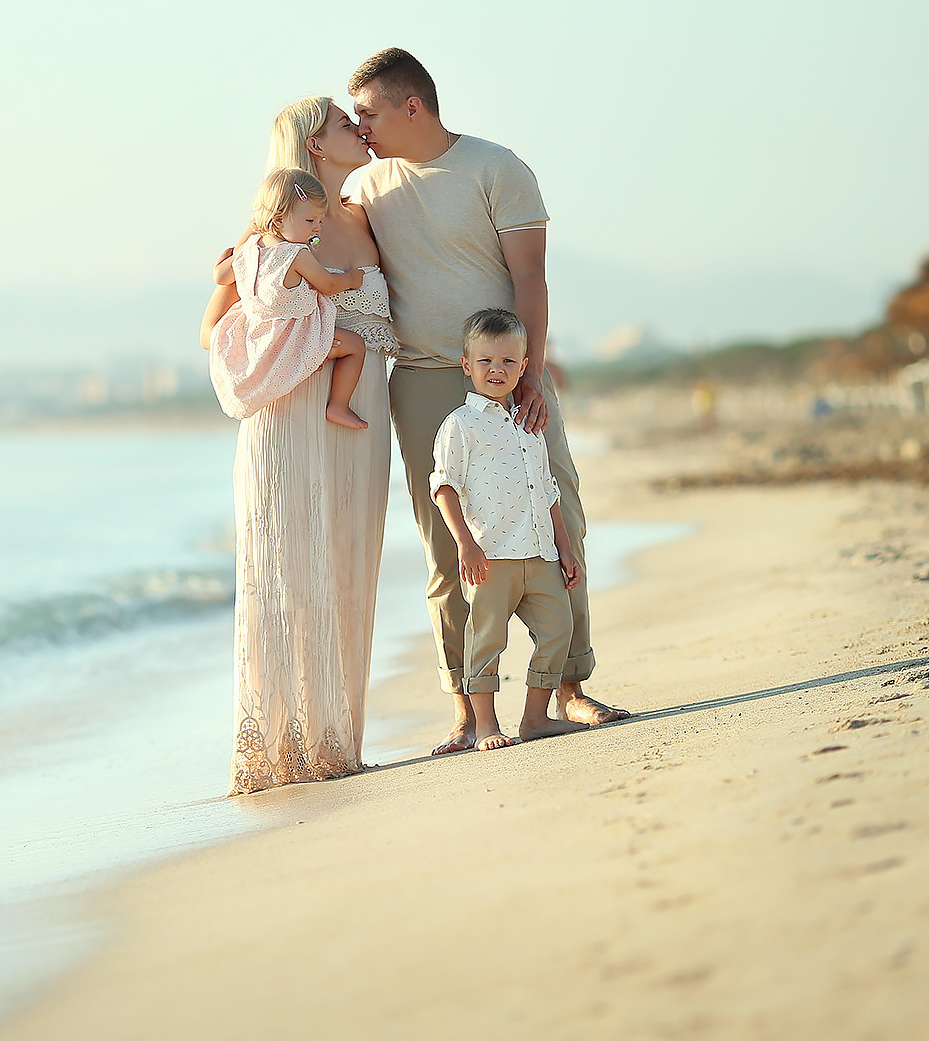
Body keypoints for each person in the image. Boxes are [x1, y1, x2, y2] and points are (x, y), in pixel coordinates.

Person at [345, 47, 631, 756]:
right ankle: (467, 710)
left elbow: (529, 278)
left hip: (508, 371)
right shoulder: (368, 186)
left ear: (414, 106)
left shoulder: (496, 167)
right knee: (448, 548)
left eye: (370, 112)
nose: (362, 125)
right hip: (420, 378)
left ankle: (568, 685)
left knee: (557, 520)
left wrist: (529, 374)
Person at [201, 96, 397, 794]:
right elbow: (210, 332)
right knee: (288, 570)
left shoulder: (369, 216)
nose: (360, 129)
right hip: (289, 413)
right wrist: (229, 285)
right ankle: (279, 745)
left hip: (359, 408)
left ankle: (335, 742)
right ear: (316, 145)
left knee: (348, 560)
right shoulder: (274, 235)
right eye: (347, 123)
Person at [429, 308, 590, 750]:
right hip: (491, 556)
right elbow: (444, 487)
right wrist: (465, 545)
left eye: (507, 362)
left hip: (540, 552)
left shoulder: (529, 425)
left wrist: (565, 549)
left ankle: (535, 719)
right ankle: (485, 726)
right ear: (467, 366)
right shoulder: (460, 426)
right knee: (485, 641)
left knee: (559, 628)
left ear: (523, 367)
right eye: (485, 361)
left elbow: (549, 490)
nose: (496, 371)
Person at [208, 167, 371, 431]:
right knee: (355, 346)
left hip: (260, 339)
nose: (317, 227)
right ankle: (338, 405)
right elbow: (328, 284)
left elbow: (221, 275)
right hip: (293, 336)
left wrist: (232, 250)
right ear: (279, 219)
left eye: (319, 221)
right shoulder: (296, 255)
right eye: (309, 221)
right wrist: (352, 279)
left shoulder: (251, 249)